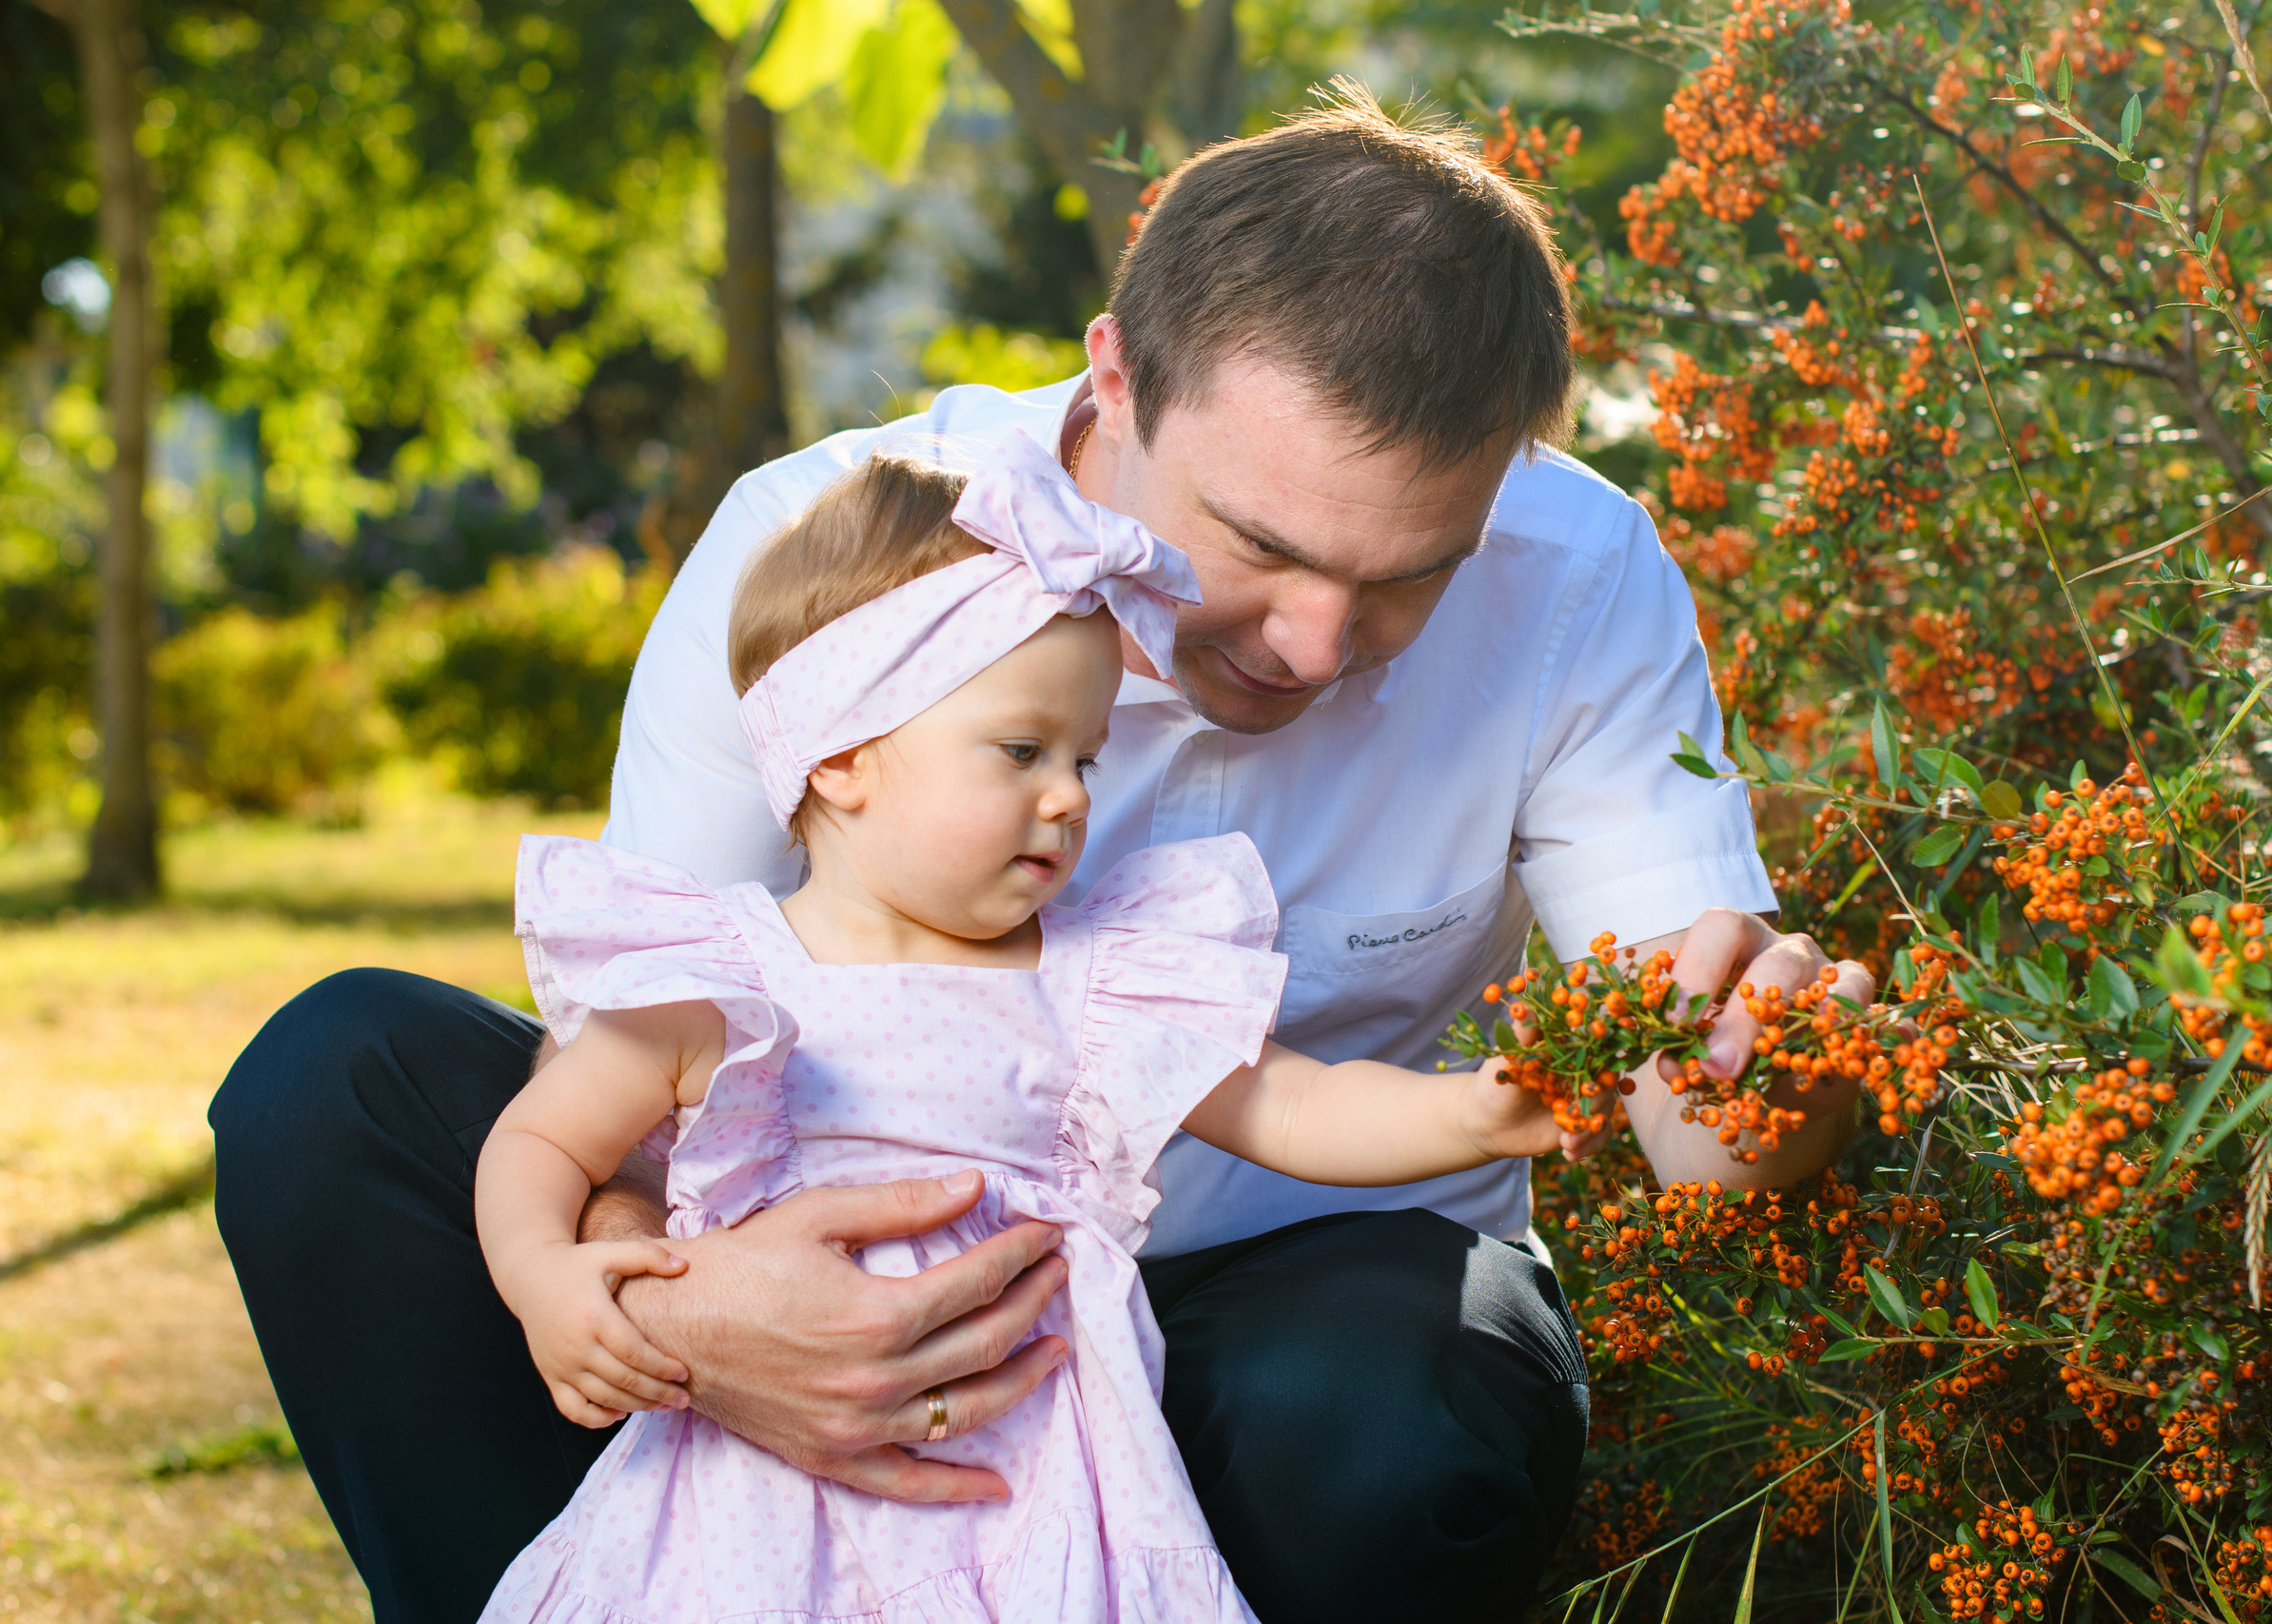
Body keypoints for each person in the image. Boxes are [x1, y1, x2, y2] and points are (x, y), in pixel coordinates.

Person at [211, 86, 1873, 1624]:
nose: (1313, 643)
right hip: (805, 1235)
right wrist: (696, 1319)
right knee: (331, 1083)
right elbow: (641, 1067)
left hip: (1290, 1292)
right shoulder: (823, 556)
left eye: (1405, 579)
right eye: (1263, 548)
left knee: (1396, 1416)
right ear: (1115, 379)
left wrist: (1774, 1086)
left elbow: (1695, 1125)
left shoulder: (1581, 575)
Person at [476, 432, 1569, 1624]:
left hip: (1036, 1482)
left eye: (1084, 758)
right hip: (756, 1490)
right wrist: (549, 1277)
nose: (1068, 797)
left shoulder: (1094, 980)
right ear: (842, 757)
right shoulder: (723, 981)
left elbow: (1293, 1105)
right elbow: (544, 1145)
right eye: (1020, 751)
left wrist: (1475, 1110)